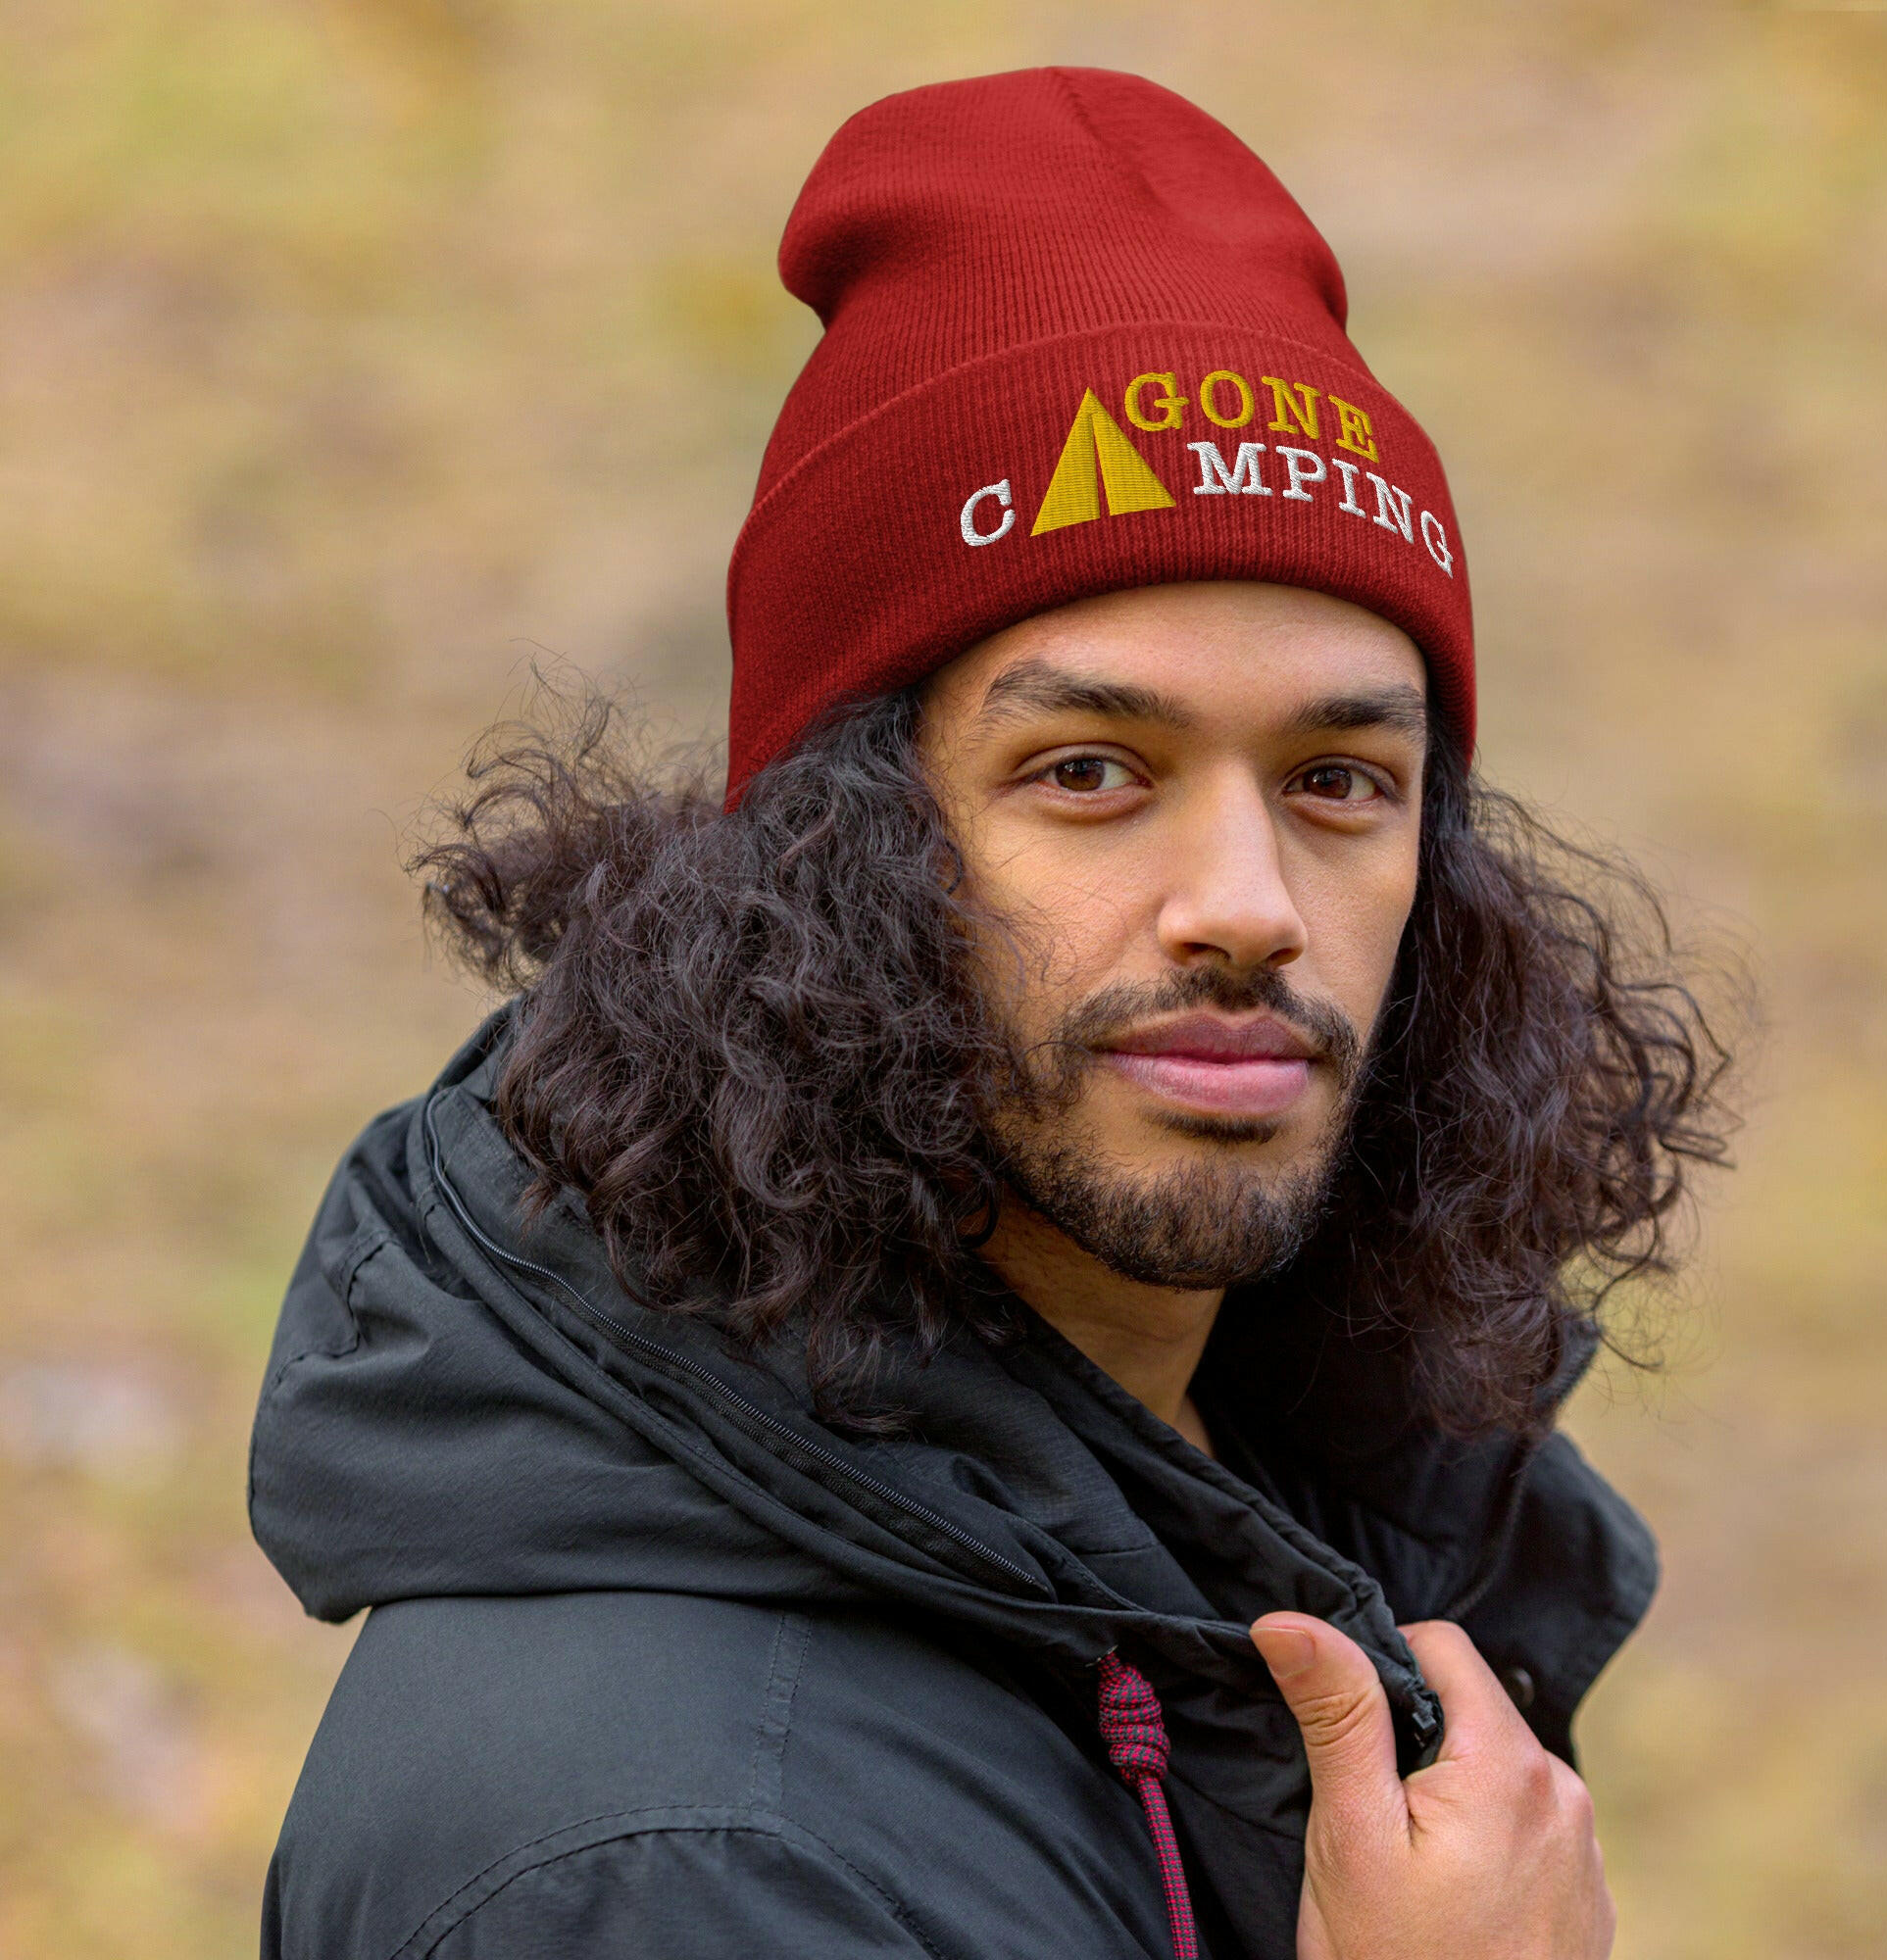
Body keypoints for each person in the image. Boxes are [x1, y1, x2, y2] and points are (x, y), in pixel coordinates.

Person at [253, 68, 1734, 1960]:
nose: (1249, 910)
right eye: (1091, 771)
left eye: (1340, 781)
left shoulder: (1260, 1501)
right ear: (832, 859)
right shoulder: (676, 1861)